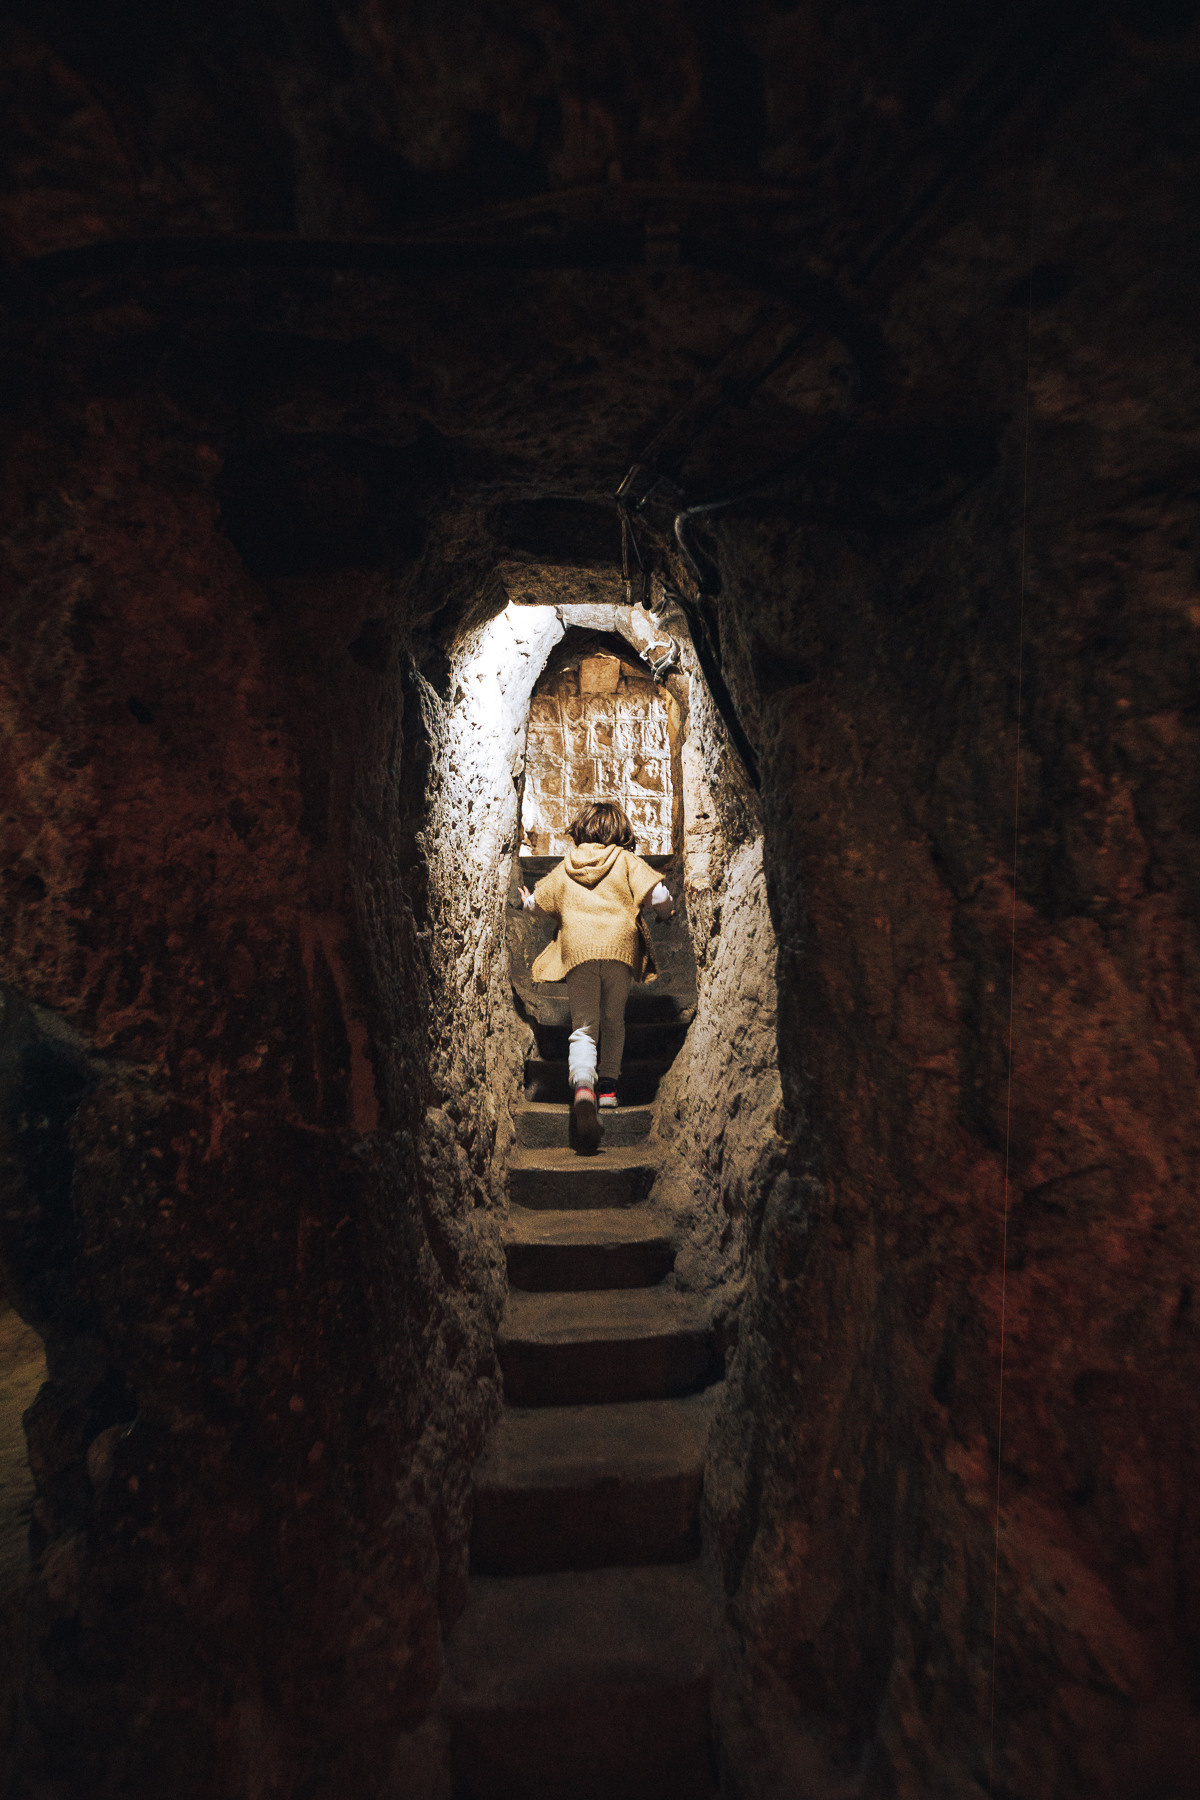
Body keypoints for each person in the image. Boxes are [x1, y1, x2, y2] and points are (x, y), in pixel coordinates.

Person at [519, 800, 674, 1151]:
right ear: (620, 830)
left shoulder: (566, 866)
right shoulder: (626, 861)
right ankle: (607, 1088)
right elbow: (660, 895)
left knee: (585, 1026)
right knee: (614, 1021)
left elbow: (539, 905)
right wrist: (665, 913)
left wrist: (527, 902)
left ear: (582, 829)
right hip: (619, 951)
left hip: (579, 953)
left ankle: (583, 1087)